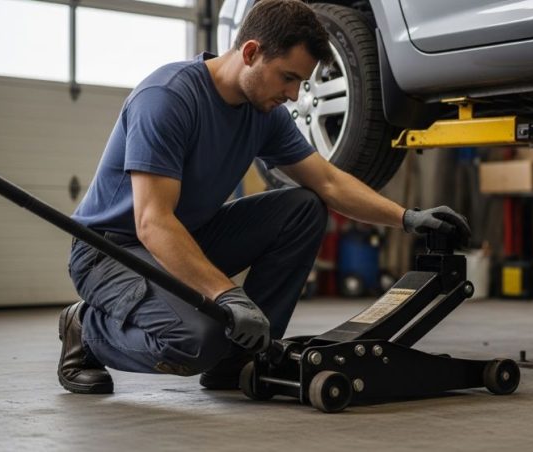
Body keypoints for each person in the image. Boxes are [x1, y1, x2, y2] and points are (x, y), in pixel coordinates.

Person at [58, 0, 470, 394]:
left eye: (301, 83)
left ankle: (239, 356)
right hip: (111, 252)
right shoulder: (167, 99)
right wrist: (227, 294)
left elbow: (328, 182)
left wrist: (407, 217)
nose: (294, 95)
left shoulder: (263, 113)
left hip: (185, 237)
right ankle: (87, 331)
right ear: (251, 52)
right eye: (288, 77)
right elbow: (152, 223)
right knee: (196, 340)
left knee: (304, 208)